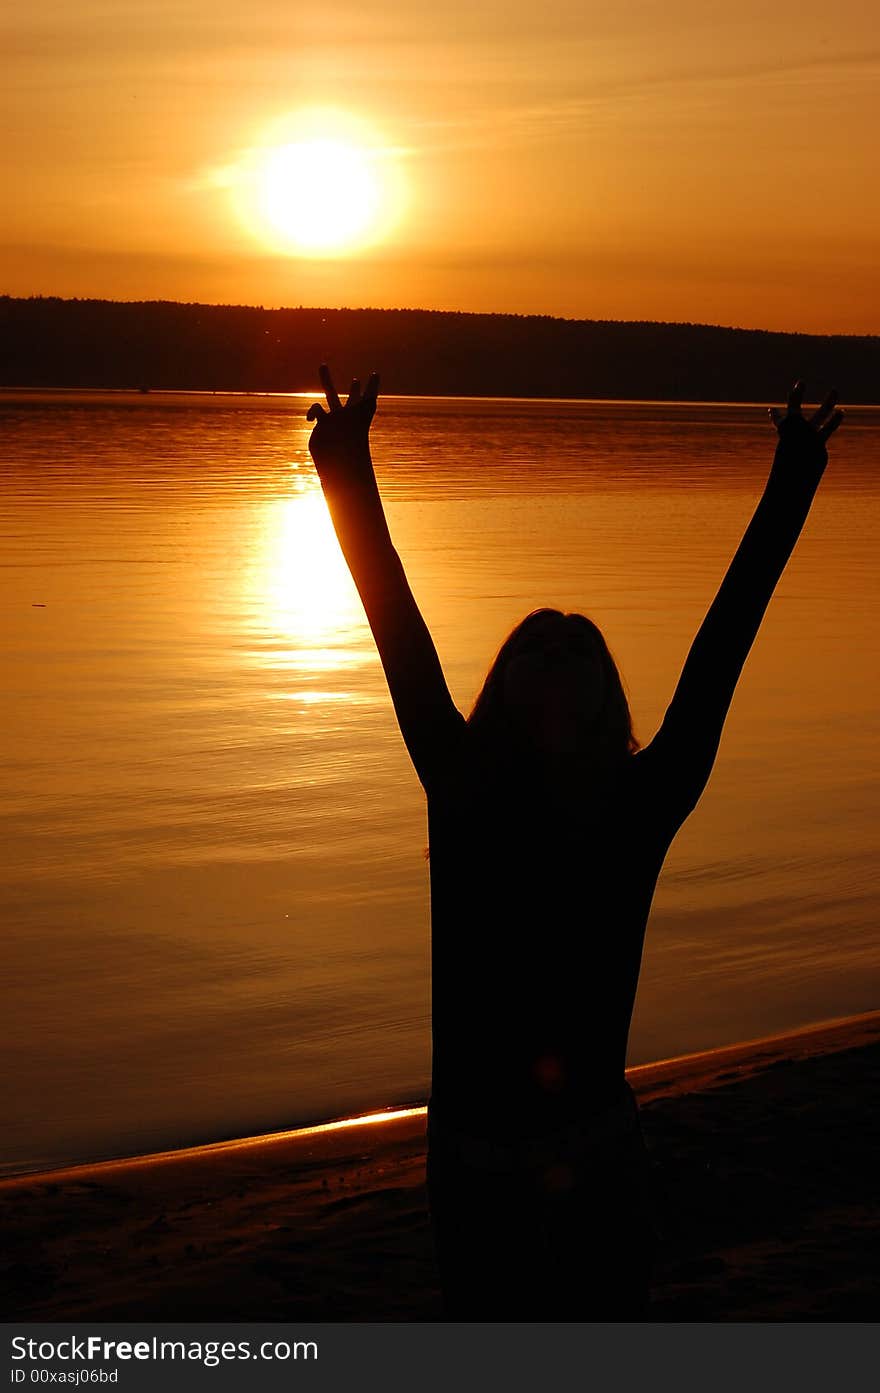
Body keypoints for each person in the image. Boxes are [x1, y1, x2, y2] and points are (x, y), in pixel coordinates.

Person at [306, 369, 843, 1320]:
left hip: (598, 1151)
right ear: (501, 687)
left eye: (577, 651)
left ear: (607, 693)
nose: (555, 660)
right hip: (472, 1163)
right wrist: (345, 468)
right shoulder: (461, 784)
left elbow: (725, 644)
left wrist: (793, 478)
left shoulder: (644, 798)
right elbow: (396, 624)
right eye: (534, 650)